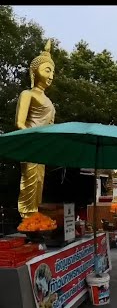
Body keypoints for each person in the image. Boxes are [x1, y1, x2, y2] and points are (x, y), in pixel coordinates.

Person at [15, 40, 56, 218]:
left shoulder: (48, 101)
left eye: (53, 71)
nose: (51, 75)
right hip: (31, 145)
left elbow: (51, 127)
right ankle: (27, 216)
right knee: (29, 182)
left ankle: (35, 216)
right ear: (34, 71)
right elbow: (19, 123)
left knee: (39, 182)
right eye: (47, 70)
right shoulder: (27, 94)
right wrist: (33, 140)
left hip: (43, 148)